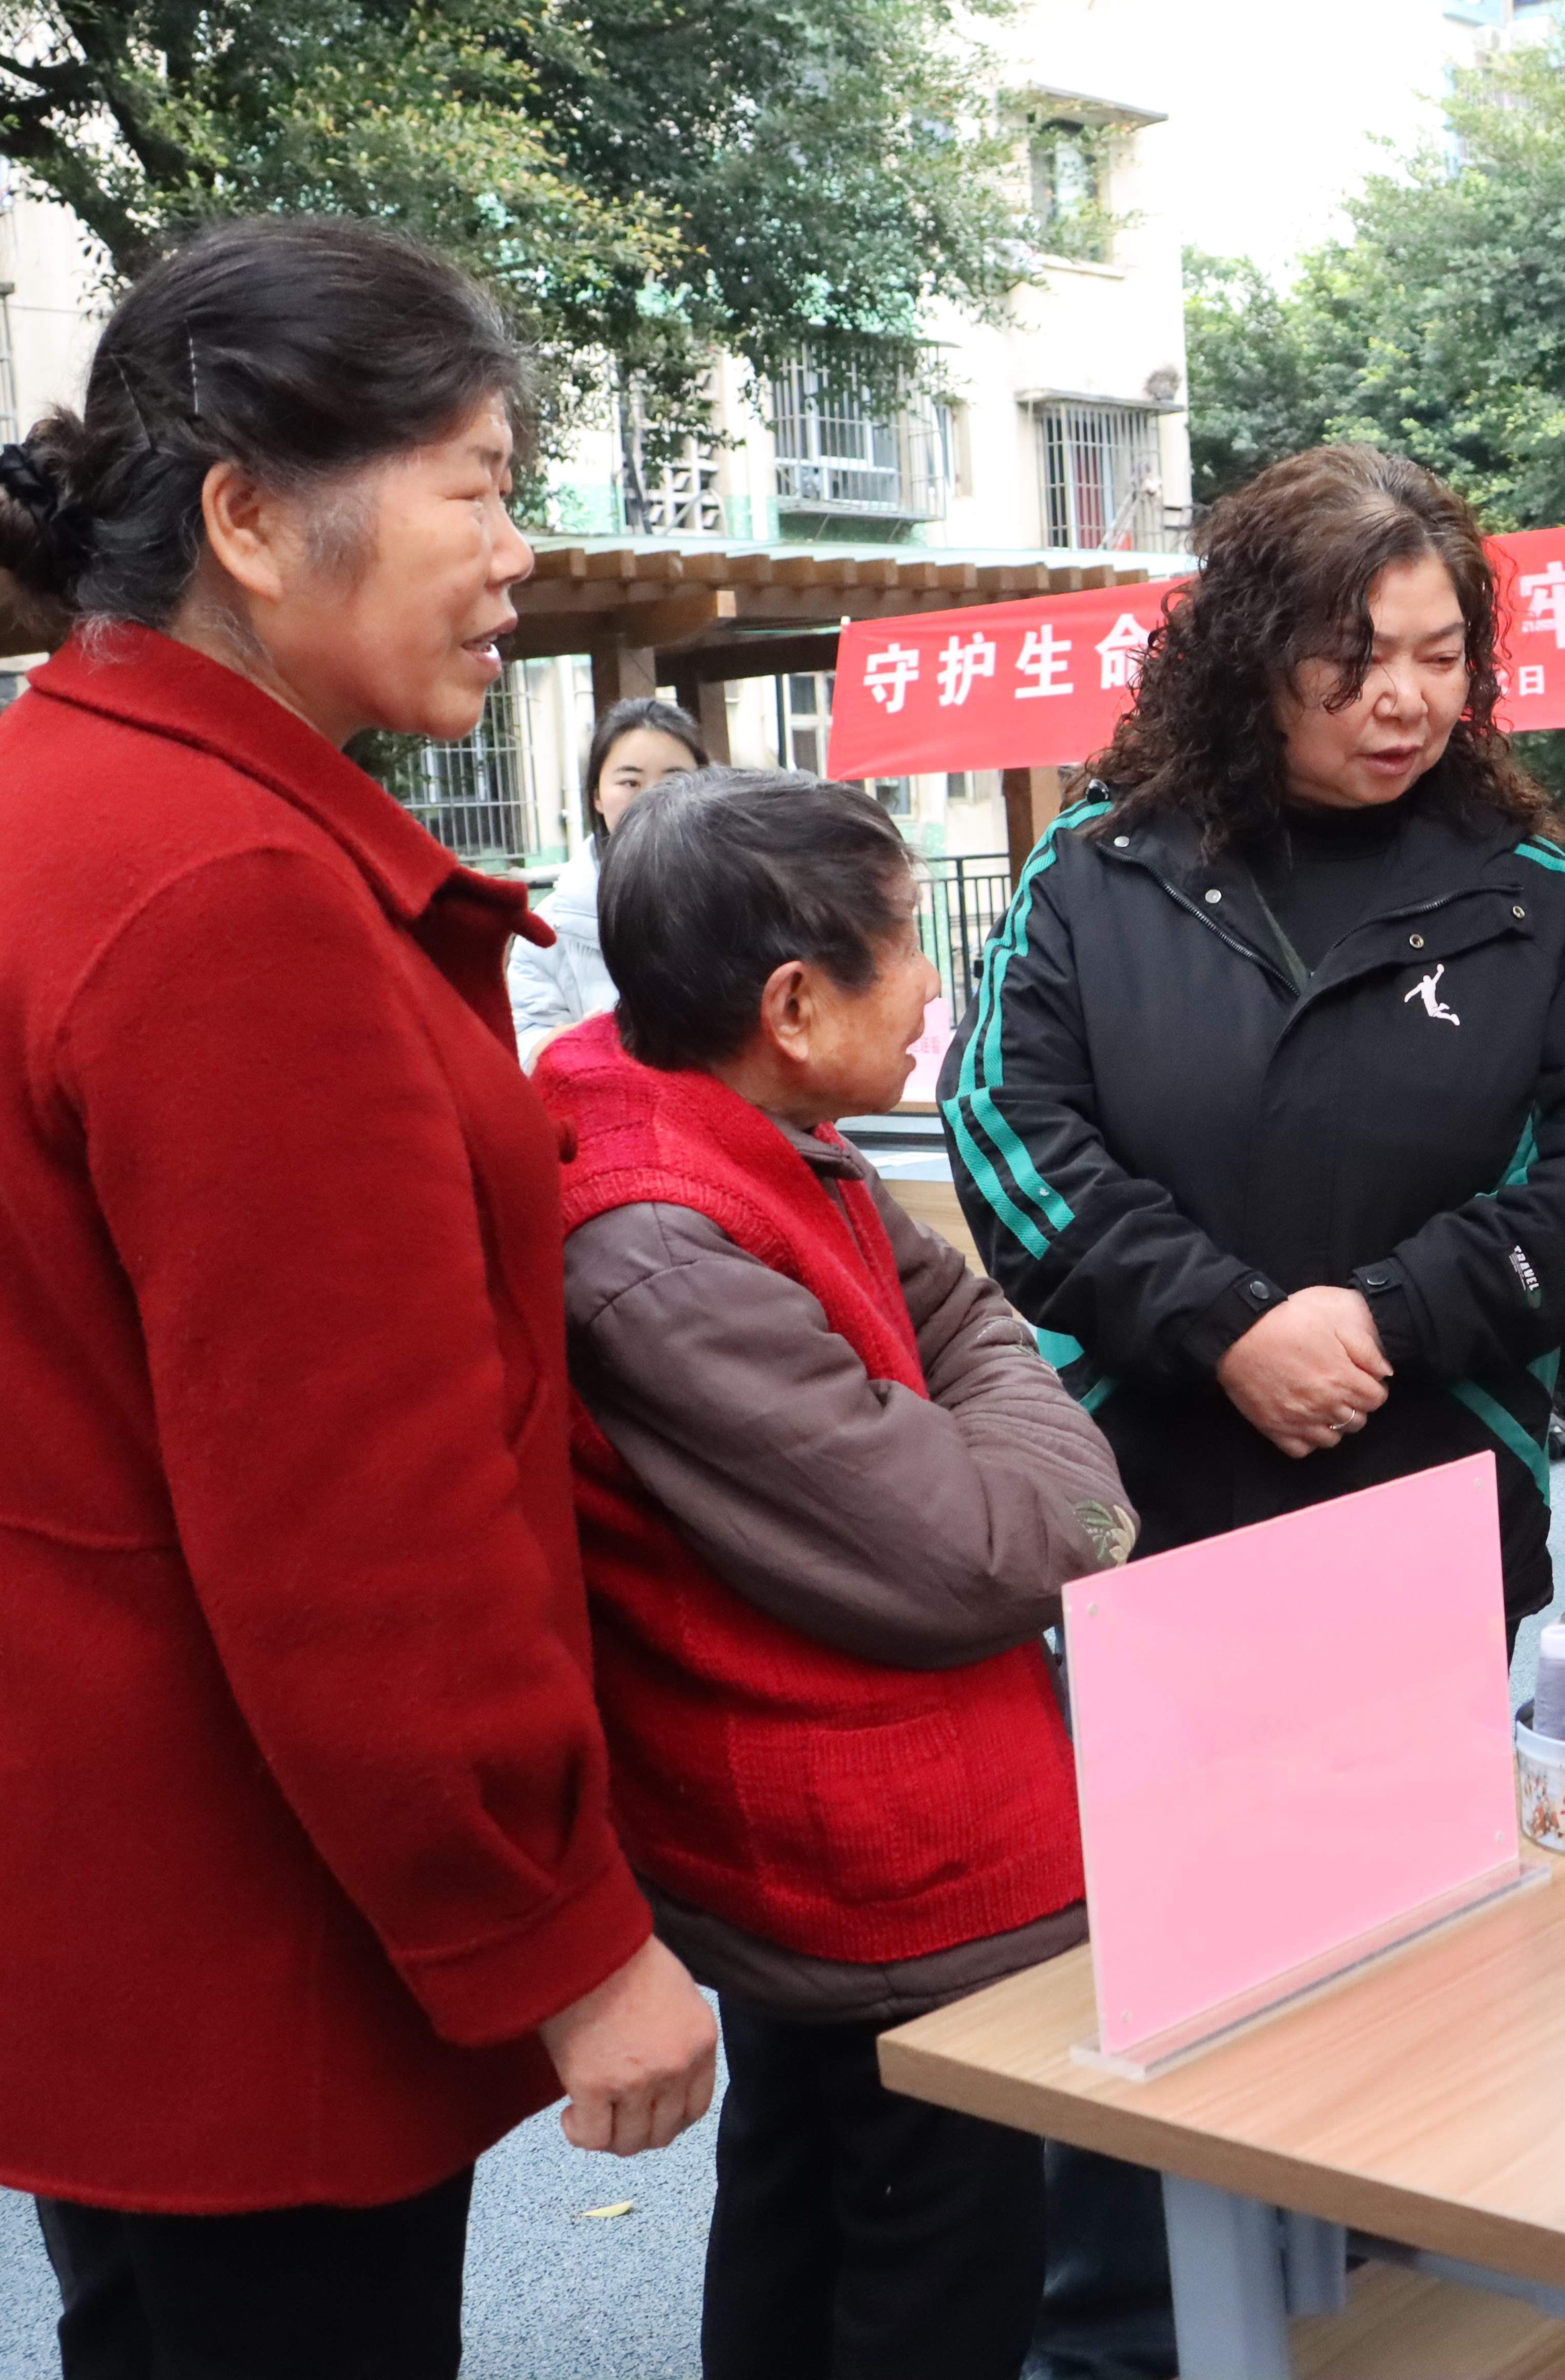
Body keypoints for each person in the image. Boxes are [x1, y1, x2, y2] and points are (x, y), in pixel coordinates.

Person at [0, 216, 717, 2377]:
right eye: (478, 480)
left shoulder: (65, 803)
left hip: (110, 1889)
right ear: (248, 516)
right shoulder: (231, 893)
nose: (517, 544)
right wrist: (564, 1931)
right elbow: (352, 1525)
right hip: (265, 1917)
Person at [537, 766, 1135, 2380]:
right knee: (923, 2277)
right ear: (795, 1004)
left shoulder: (743, 1138)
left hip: (859, 1841)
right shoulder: (660, 1241)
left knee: (811, 2223)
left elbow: (959, 1315)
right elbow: (997, 1546)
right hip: (881, 1866)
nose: (937, 980)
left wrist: (986, 1408)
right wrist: (1059, 1468)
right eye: (904, 947)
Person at [941, 443, 1565, 1634]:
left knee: (1432, 1827)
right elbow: (1005, 1129)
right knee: (1167, 1823)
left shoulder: (1534, 901)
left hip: (1433, 1504)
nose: (1408, 697)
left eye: (1442, 657)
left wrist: (1392, 1312)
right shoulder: (1096, 872)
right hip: (1152, 1507)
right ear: (1252, 656)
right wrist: (1225, 1320)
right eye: (1357, 656)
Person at [509, 694, 707, 1062]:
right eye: (630, 782)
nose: (652, 798)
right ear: (597, 796)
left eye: (674, 780)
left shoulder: (747, 901)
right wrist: (573, 1046)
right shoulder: (550, 928)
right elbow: (521, 1044)